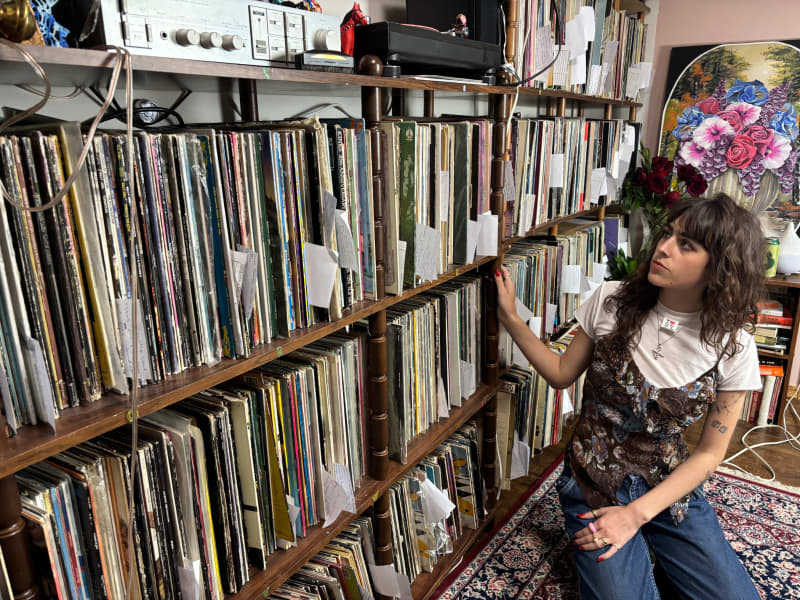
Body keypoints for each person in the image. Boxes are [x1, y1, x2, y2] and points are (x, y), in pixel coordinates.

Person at [494, 193, 764, 600]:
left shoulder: (735, 346)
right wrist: (512, 319)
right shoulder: (610, 300)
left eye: (685, 244)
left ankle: (657, 549)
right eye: (668, 235)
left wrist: (635, 516)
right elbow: (561, 374)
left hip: (668, 487)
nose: (663, 247)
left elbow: (709, 454)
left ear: (719, 270)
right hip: (593, 483)